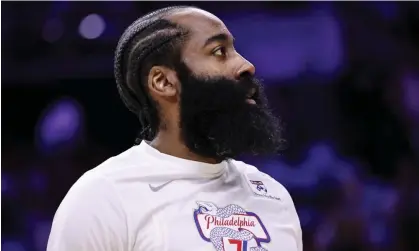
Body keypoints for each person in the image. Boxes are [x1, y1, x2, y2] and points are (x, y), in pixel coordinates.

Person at [47, 6, 302, 251]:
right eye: (219, 51)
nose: (247, 65)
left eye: (235, 50)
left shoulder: (273, 196)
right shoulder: (103, 197)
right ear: (164, 81)